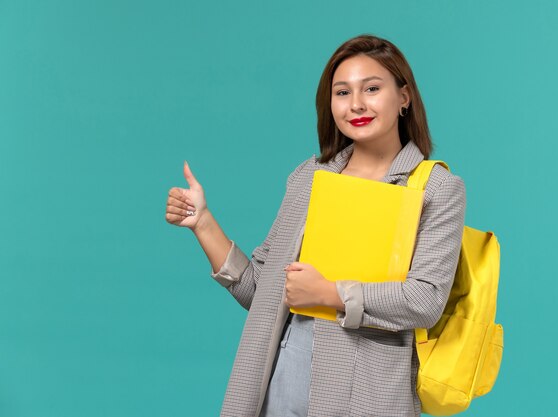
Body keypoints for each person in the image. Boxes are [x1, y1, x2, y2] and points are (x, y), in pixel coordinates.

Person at [165, 34, 466, 417]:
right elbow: (261, 290)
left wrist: (330, 294)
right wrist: (203, 223)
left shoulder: (435, 188)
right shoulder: (311, 176)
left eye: (372, 88)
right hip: (278, 385)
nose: (356, 104)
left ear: (404, 97)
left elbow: (424, 301)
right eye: (342, 93)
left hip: (367, 395)